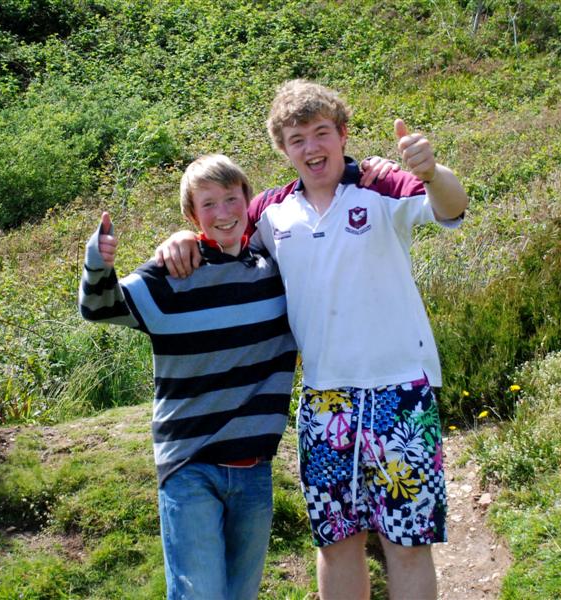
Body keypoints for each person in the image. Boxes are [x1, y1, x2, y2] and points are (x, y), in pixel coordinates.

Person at [155, 80, 469, 600]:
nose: (311, 147)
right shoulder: (272, 211)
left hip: (402, 391)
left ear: (342, 134)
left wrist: (432, 171)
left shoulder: (383, 185)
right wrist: (182, 236)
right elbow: (224, 234)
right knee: (336, 542)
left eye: (321, 132)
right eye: (296, 138)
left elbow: (451, 209)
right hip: (324, 401)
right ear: (283, 149)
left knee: (408, 544)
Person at [78, 154, 299, 600]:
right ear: (192, 215)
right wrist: (97, 263)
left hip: (255, 467)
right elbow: (100, 308)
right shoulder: (174, 275)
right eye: (209, 204)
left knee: (241, 595)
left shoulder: (276, 271)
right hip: (190, 465)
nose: (223, 213)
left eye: (231, 199)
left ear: (247, 201)